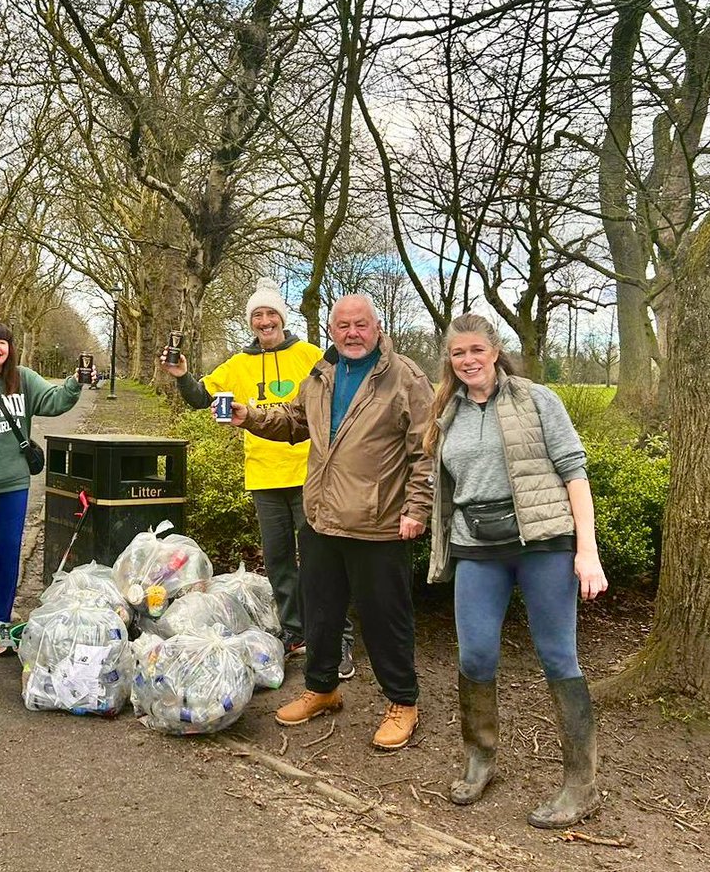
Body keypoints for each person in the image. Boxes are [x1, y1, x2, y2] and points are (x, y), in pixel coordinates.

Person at [424, 313, 608, 828]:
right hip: (477, 546)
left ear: (495, 350)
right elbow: (439, 484)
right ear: (450, 360)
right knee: (476, 654)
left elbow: (574, 473)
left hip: (543, 543)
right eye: (458, 354)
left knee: (557, 656)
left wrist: (586, 551)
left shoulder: (535, 399)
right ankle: (481, 758)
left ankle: (581, 784)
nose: (468, 361)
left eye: (476, 350)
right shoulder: (446, 411)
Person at [229, 294, 433, 750]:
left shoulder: (405, 377)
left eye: (361, 324)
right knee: (319, 611)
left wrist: (417, 509)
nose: (352, 333)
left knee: (386, 618)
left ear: (377, 327)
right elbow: (294, 420)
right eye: (343, 326)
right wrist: (250, 417)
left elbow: (426, 451)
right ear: (332, 332)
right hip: (322, 517)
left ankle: (403, 702)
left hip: (378, 523)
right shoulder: (321, 375)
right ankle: (322, 690)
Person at [160, 277, 357, 677]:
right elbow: (201, 398)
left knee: (323, 562)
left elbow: (343, 391)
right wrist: (182, 374)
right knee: (280, 561)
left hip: (309, 475)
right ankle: (295, 632)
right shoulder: (238, 364)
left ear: (282, 318)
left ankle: (339, 638)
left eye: (270, 314)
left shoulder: (308, 355)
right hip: (264, 478)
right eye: (257, 315)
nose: (264, 321)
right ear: (251, 322)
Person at [0, 322, 83, 656]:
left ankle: (1, 625)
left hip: (14, 483)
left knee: (9, 551)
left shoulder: (23, 379)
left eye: (2, 343)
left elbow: (54, 402)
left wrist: (75, 382)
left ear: (11, 349)